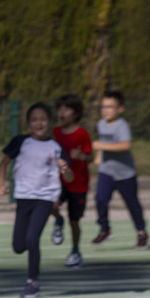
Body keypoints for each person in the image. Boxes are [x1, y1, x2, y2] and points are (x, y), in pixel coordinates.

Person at [0, 102, 73, 298]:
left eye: (43, 120)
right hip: (24, 197)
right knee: (18, 246)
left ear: (49, 122)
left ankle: (32, 282)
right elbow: (3, 163)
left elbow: (70, 177)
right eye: (34, 120)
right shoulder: (21, 142)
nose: (39, 123)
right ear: (28, 123)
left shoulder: (55, 147)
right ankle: (59, 221)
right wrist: (0, 184)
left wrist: (65, 169)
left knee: (32, 239)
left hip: (45, 198)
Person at [90, 90, 148, 249]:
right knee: (100, 199)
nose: (105, 110)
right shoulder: (101, 124)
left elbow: (125, 145)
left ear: (120, 108)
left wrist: (101, 146)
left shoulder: (122, 126)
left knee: (132, 204)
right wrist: (98, 155)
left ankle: (142, 233)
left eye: (110, 107)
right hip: (107, 171)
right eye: (103, 107)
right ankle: (105, 230)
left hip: (125, 174)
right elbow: (102, 142)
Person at [50, 94, 93, 267]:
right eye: (59, 109)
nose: (62, 112)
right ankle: (58, 220)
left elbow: (90, 157)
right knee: (50, 206)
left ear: (76, 113)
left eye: (66, 109)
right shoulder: (55, 133)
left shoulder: (82, 134)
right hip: (59, 181)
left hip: (78, 184)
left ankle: (75, 251)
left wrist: (81, 156)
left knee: (74, 221)